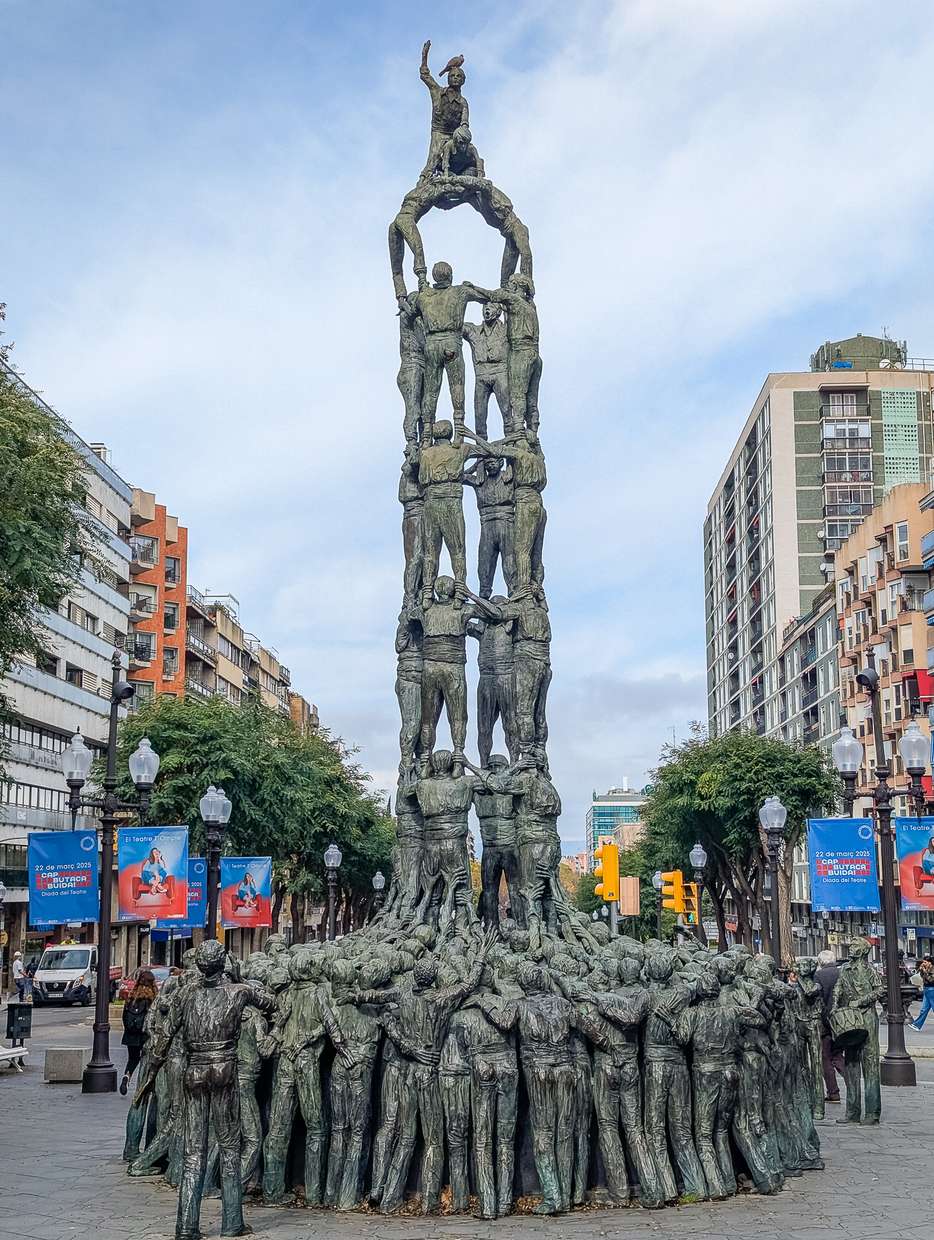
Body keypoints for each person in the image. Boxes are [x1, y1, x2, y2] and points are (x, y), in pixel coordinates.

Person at [120, 968, 158, 1096]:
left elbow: (124, 1017)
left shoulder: (131, 998)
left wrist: (129, 1029)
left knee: (132, 1059)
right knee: (148, 1060)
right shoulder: (153, 1000)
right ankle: (144, 1085)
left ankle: (127, 1075)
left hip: (131, 1035)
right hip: (145, 1035)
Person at [815, 948, 843, 1103]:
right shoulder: (841, 973)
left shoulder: (819, 975)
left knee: (825, 1057)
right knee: (837, 1054)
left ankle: (833, 1092)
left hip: (826, 1022)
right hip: (842, 1021)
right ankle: (852, 1085)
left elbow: (818, 999)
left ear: (821, 961)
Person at [910, 956, 934, 1030]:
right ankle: (917, 1025)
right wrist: (921, 970)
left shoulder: (933, 969)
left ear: (930, 962)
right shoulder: (925, 968)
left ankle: (917, 1024)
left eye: (925, 962)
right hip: (926, 990)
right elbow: (920, 976)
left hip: (932, 990)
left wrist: (925, 972)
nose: (924, 963)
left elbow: (931, 980)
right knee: (924, 1009)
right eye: (923, 962)